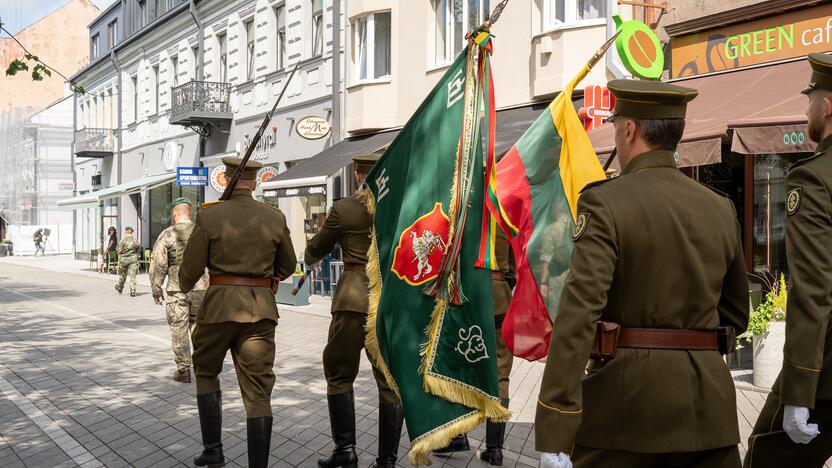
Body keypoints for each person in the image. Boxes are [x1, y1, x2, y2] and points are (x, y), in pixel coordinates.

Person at [535, 79, 749, 468]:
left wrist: (556, 421)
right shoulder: (720, 207)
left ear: (630, 130)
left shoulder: (604, 202)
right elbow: (737, 315)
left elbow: (579, 316)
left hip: (625, 412)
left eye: (617, 125)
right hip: (710, 409)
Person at [742, 52, 832, 468]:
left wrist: (799, 393)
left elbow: (814, 291)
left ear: (827, 106)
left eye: (810, 97)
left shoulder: (814, 176)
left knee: (765, 458)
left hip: (826, 376)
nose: (806, 107)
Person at [179, 157, 296, 468]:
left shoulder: (211, 216)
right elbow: (287, 266)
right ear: (255, 183)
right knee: (258, 391)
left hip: (217, 309)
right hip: (259, 312)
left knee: (205, 373)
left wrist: (183, 284)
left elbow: (189, 271)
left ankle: (213, 451)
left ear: (226, 181)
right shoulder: (274, 217)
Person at [305, 154, 404, 468]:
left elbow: (314, 250)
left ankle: (345, 451)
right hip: (388, 299)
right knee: (389, 381)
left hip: (352, 297)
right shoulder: (403, 205)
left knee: (339, 374)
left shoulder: (345, 207)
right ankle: (387, 459)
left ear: (358, 173)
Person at [149, 197, 209, 384]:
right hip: (202, 287)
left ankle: (184, 370)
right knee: (201, 327)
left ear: (174, 214)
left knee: (179, 329)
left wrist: (156, 290)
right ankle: (203, 368)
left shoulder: (167, 234)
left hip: (177, 289)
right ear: (190, 213)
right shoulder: (202, 232)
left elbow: (158, 264)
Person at [115, 226, 141, 297]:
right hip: (133, 259)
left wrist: (121, 255)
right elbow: (139, 249)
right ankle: (133, 291)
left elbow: (118, 250)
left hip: (124, 260)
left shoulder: (122, 240)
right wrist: (136, 254)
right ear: (132, 232)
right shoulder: (135, 240)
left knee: (123, 274)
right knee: (133, 276)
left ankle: (120, 287)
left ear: (126, 231)